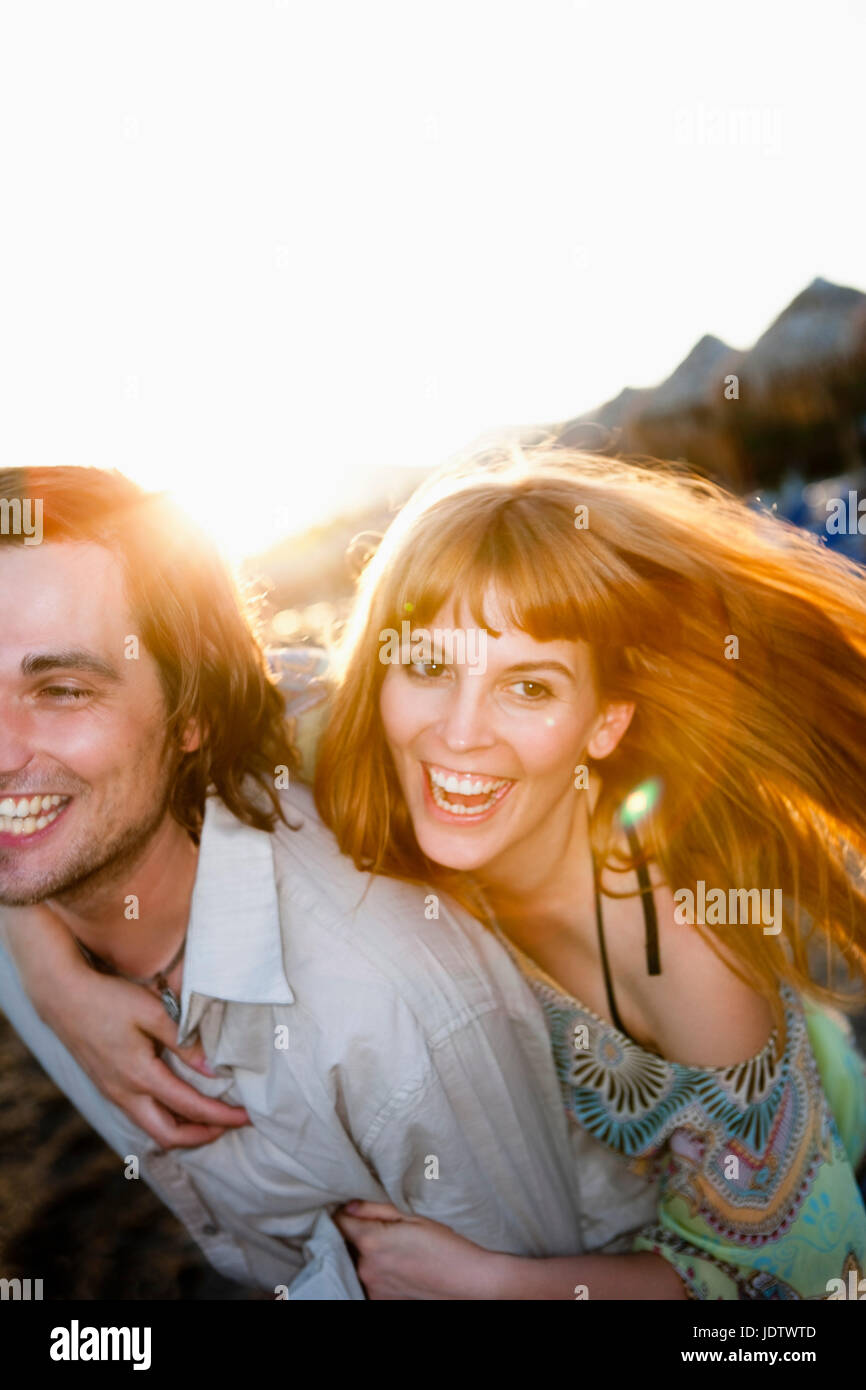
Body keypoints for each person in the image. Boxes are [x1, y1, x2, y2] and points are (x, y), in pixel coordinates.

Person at [10, 447, 866, 1299]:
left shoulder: (679, 953)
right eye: (427, 666)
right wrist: (53, 973)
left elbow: (798, 1284)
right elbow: (70, 781)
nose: (459, 734)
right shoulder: (333, 739)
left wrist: (502, 1288)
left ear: (605, 721)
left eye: (528, 688)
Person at [0, 464, 596, 1300]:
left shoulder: (396, 1016)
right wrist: (43, 959)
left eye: (62, 690)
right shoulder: (35, 883)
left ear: (191, 713)